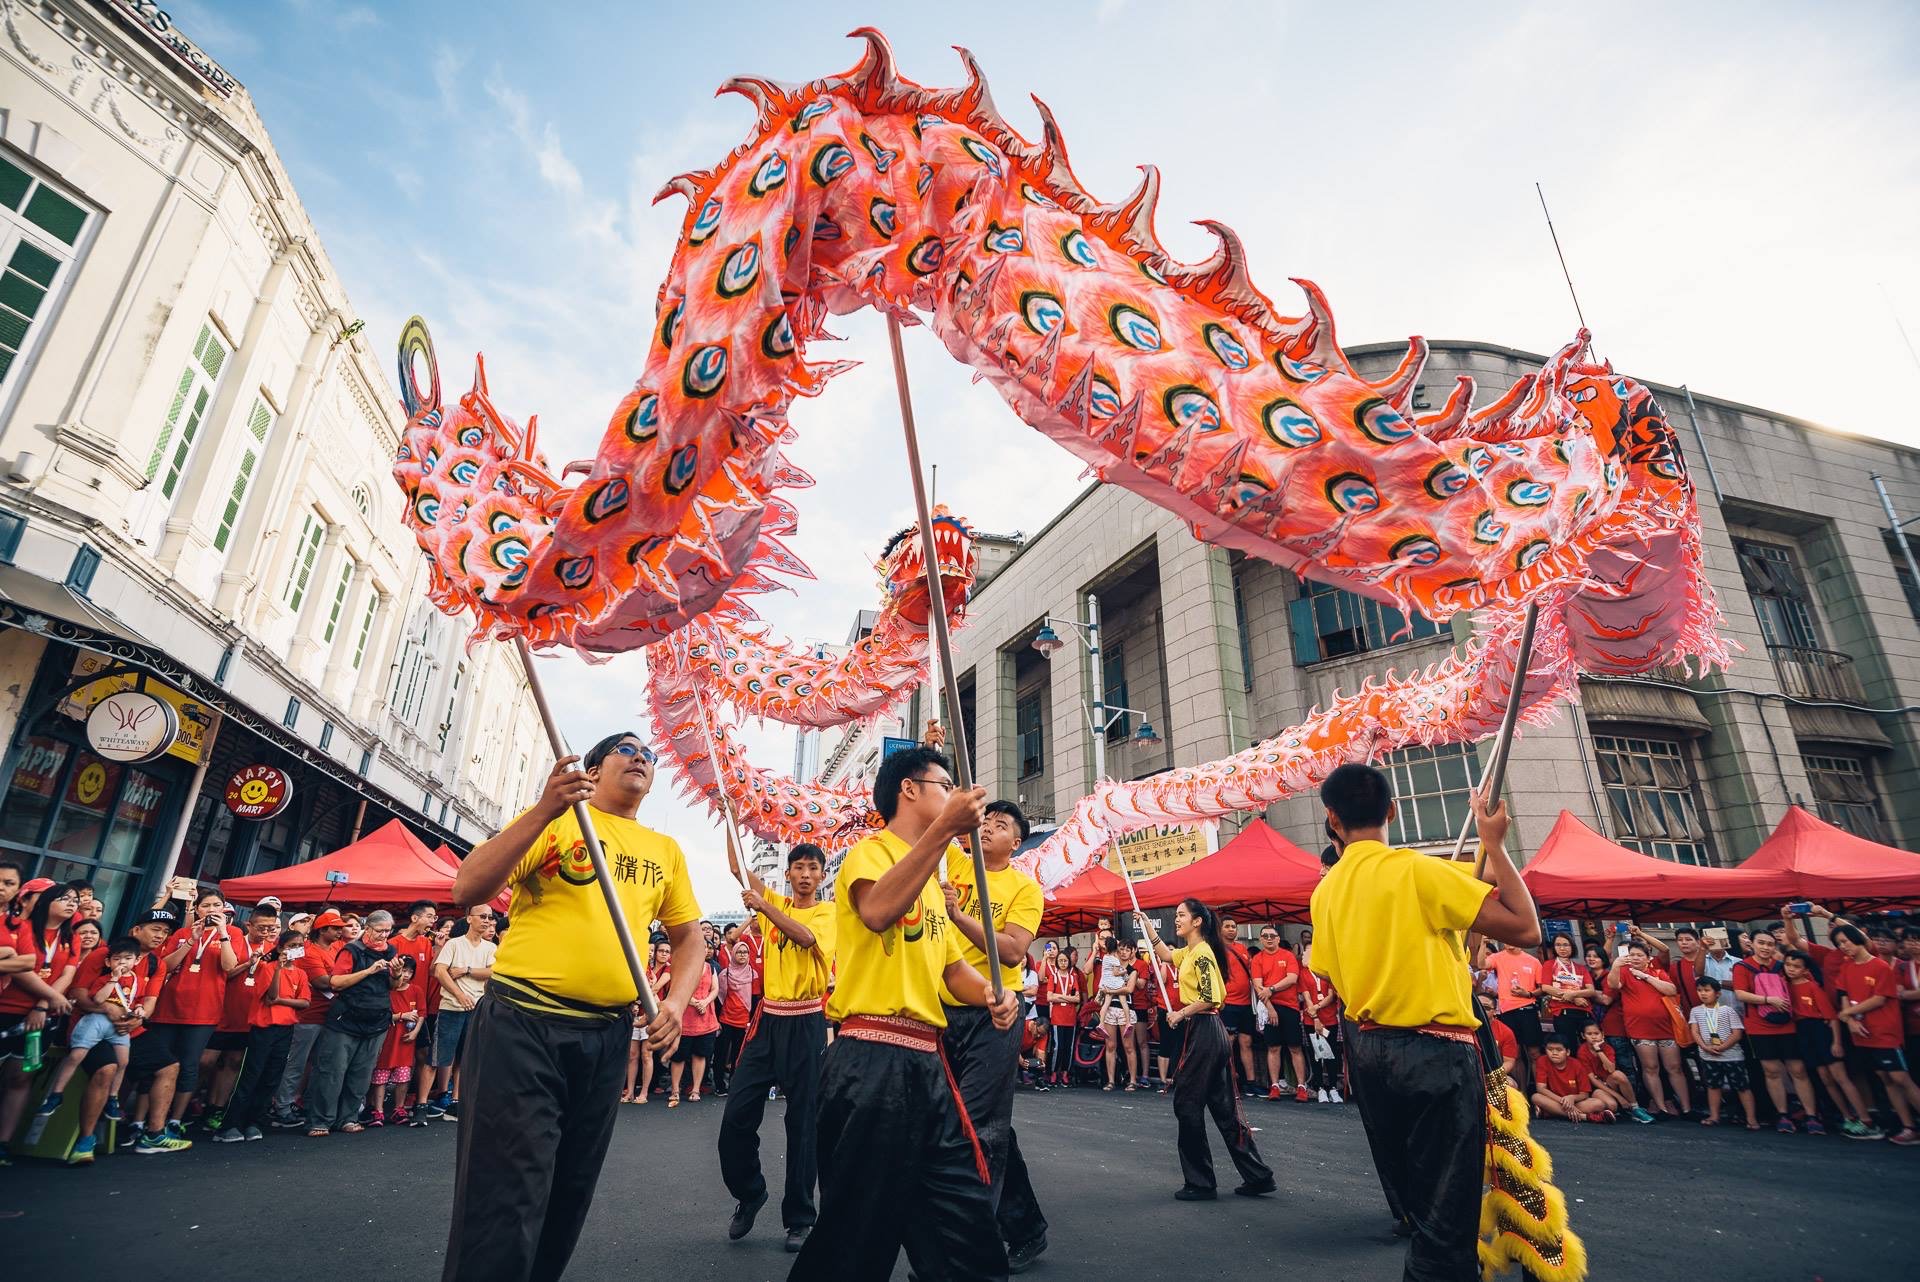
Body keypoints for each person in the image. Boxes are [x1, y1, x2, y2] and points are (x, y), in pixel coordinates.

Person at [443, 733, 705, 1282]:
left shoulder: (665, 851)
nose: (640, 758)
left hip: (606, 1036)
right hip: (524, 1026)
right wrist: (544, 808)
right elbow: (467, 886)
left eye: (648, 755)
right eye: (626, 749)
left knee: (570, 1190)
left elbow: (688, 938)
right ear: (591, 767)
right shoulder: (556, 822)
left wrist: (675, 1003)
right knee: (507, 1192)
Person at [788, 745, 1019, 1282]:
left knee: (967, 1230)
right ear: (909, 790)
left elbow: (951, 971)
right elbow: (877, 912)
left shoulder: (935, 883)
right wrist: (944, 833)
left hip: (929, 1069)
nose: (955, 794)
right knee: (855, 1235)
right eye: (945, 783)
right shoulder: (872, 853)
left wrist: (991, 992)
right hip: (869, 1062)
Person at [1310, 766, 1541, 1281]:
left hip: (1370, 1054)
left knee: (1424, 1198)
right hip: (1436, 1054)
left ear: (1331, 818)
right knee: (1446, 1216)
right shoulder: (1416, 870)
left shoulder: (1324, 893)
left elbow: (1332, 974)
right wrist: (1495, 846)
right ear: (1392, 811)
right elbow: (1526, 927)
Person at [930, 798, 1050, 1274]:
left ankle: (970, 1244)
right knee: (972, 1123)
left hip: (997, 1013)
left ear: (1015, 843)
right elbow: (944, 814)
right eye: (985, 824)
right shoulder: (956, 862)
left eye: (999, 826)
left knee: (981, 1125)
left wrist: (960, 917)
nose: (986, 831)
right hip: (944, 1009)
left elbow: (1016, 952)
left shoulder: (1024, 887)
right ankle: (1025, 1228)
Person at [719, 840, 835, 1251]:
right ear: (787, 874)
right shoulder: (771, 900)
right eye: (798, 867)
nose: (805, 874)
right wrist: (728, 812)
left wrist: (765, 908)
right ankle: (750, 1194)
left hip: (806, 1022)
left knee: (802, 1125)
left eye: (812, 868)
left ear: (821, 875)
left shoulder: (828, 912)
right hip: (767, 1022)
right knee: (736, 1116)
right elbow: (737, 867)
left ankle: (800, 1219)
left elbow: (804, 938)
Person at [1139, 898, 1275, 1201]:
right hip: (1207, 1032)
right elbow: (1166, 953)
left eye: (1181, 915)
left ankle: (1200, 1182)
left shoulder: (1202, 954)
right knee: (1224, 1109)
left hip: (1202, 1029)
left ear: (1197, 921)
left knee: (1187, 1105)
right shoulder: (1191, 951)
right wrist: (1149, 928)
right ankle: (1258, 1175)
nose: (1177, 920)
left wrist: (1179, 1013)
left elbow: (1211, 996)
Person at [144, 888, 241, 1141]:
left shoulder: (233, 933)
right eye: (206, 905)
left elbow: (230, 967)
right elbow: (166, 966)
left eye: (216, 905)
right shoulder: (182, 933)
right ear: (196, 909)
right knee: (158, 1063)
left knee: (189, 1065)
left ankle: (175, 1118)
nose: (211, 910)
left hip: (203, 1011)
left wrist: (222, 934)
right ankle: (146, 1119)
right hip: (168, 1008)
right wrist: (190, 941)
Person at [32, 936, 144, 1139]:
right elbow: (98, 999)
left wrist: (139, 1010)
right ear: (109, 962)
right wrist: (113, 979)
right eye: (117, 959)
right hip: (95, 1021)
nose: (123, 963)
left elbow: (135, 1001)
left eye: (128, 959)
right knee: (76, 1055)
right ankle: (56, 1094)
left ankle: (113, 1098)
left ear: (137, 961)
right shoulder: (105, 978)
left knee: (123, 1061)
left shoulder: (136, 980)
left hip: (118, 1028)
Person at [0, 880, 78, 1157]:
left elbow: (67, 975)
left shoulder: (71, 937)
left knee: (22, 1077)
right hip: (5, 1010)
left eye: (75, 901)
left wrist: (44, 1004)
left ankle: (4, 1143)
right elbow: (20, 969)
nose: (71, 904)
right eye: (64, 898)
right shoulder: (20, 929)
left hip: (41, 1019)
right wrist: (52, 998)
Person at [306, 908, 400, 1136]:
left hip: (376, 1019)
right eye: (379, 930)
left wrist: (396, 974)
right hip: (345, 1018)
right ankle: (321, 1120)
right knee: (332, 1071)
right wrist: (368, 971)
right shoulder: (352, 950)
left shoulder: (391, 950)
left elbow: (393, 987)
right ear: (367, 928)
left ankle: (347, 1118)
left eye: (388, 931)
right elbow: (336, 983)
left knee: (361, 1073)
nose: (384, 936)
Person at [213, 923, 310, 1142]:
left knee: (271, 1077)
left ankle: (254, 1121)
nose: (296, 949)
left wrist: (283, 1001)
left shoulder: (301, 974)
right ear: (280, 948)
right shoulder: (268, 968)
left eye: (299, 945)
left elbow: (304, 1002)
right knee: (251, 1075)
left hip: (285, 1029)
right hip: (263, 1029)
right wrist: (277, 969)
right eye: (291, 945)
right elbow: (270, 997)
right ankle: (231, 1124)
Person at [1830, 923, 1920, 1144]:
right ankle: (1907, 1125)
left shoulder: (1880, 966)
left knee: (1900, 1077)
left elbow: (1879, 998)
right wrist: (1850, 1019)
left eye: (1846, 941)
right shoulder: (1847, 966)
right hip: (1862, 1032)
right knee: (1885, 1078)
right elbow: (1844, 993)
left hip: (1885, 1031)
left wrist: (1847, 1013)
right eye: (1839, 944)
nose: (1844, 947)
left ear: (1857, 939)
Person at [204, 904, 282, 1132]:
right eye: (262, 928)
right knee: (206, 1061)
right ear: (249, 924)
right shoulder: (236, 940)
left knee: (234, 1062)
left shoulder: (274, 949)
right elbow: (226, 972)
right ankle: (192, 1103)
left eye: (271, 928)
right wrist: (249, 963)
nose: (267, 932)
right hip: (222, 1011)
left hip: (249, 1015)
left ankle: (216, 1108)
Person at [270, 908, 347, 1128]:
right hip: (308, 1015)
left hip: (328, 1015)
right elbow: (324, 981)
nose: (339, 931)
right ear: (322, 930)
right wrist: (346, 981)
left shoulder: (336, 949)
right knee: (297, 1063)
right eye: (335, 928)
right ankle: (282, 1106)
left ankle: (299, 1102)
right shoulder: (309, 951)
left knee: (316, 1064)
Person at [1607, 941, 1690, 1117]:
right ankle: (1661, 1107)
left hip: (1665, 1028)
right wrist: (1616, 965)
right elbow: (1613, 985)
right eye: (1632, 955)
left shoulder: (1657, 971)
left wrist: (1646, 976)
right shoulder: (1624, 972)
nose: (1635, 958)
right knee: (1650, 1067)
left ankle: (1686, 1107)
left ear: (1648, 958)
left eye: (1639, 955)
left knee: (1674, 1067)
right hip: (1640, 1029)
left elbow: (1671, 989)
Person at [428, 904, 496, 1118]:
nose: (486, 920)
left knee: (465, 1057)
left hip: (476, 1008)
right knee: (438, 1056)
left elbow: (492, 971)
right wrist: (459, 994)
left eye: (490, 917)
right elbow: (440, 971)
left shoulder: (490, 947)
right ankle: (424, 1102)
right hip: (451, 1007)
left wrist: (466, 970)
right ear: (469, 919)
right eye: (482, 916)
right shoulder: (454, 944)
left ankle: (456, 1098)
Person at [1731, 930, 1804, 1128]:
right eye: (1761, 943)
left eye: (1770, 944)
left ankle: (1811, 1114)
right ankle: (1782, 1114)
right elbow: (1740, 993)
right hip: (1758, 1025)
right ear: (1751, 944)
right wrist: (1767, 1000)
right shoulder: (1742, 966)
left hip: (1786, 1022)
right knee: (1771, 1071)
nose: (1765, 947)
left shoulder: (1782, 966)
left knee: (1797, 1069)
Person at [1687, 977, 1757, 1129]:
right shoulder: (1696, 1011)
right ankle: (1714, 1115)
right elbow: (1695, 1032)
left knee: (1741, 1086)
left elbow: (1737, 1033)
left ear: (1717, 994)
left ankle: (1751, 1118)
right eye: (1699, 991)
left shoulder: (1728, 1010)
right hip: (1708, 1055)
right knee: (1713, 1086)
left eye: (1707, 990)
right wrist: (1704, 1047)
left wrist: (1723, 1046)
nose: (1703, 994)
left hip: (1732, 1055)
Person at [1252, 925, 1308, 1102]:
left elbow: (1292, 978)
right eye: (1265, 936)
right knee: (1273, 1047)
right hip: (1270, 1007)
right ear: (1260, 939)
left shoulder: (1288, 955)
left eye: (1272, 935)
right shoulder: (1258, 959)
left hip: (1290, 1006)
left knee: (1295, 1047)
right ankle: (1275, 1086)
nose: (1269, 938)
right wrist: (1270, 1008)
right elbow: (1257, 985)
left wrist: (1272, 988)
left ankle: (1301, 1086)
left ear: (1278, 938)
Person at [367, 953, 422, 1126]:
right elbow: (382, 1014)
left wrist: (415, 1033)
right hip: (387, 1038)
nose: (406, 975)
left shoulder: (416, 990)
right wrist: (401, 1016)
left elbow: (421, 1013)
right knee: (380, 1074)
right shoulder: (387, 990)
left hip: (405, 1040)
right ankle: (378, 1110)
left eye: (410, 971)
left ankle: (399, 1108)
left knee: (403, 1075)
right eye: (403, 970)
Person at [1489, 938, 1545, 1094]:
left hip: (1528, 1010)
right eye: (1505, 937)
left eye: (1512, 936)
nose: (1509, 940)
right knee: (1516, 1054)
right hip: (1507, 1012)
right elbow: (1481, 964)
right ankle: (1522, 1094)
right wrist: (1482, 940)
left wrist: (1528, 993)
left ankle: (1540, 1093)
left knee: (1534, 1053)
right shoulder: (1498, 957)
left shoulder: (1533, 961)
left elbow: (1543, 988)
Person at [1576, 1022, 1654, 1124]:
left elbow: (1611, 1070)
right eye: (1589, 1034)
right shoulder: (1582, 1051)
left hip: (1610, 1082)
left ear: (1602, 1034)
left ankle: (1635, 1108)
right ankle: (1621, 1109)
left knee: (1618, 1075)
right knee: (1612, 1106)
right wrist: (1619, 1097)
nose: (1593, 1037)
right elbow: (1593, 1080)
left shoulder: (1607, 1048)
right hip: (1597, 1088)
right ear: (1583, 1036)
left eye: (1596, 1033)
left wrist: (1598, 1050)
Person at [1216, 913, 1260, 1093]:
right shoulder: (1216, 950)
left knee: (1246, 1042)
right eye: (1227, 926)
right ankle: (1227, 1081)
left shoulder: (1242, 948)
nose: (1231, 929)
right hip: (1228, 1004)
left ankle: (1250, 1082)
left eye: (1233, 926)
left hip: (1245, 1005)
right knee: (1228, 1043)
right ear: (1220, 929)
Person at [1530, 1035, 1615, 1123]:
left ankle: (1550, 1112)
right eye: (1550, 1049)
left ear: (1567, 1052)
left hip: (1575, 1102)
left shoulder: (1577, 1064)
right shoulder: (1542, 1060)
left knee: (1599, 1104)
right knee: (1536, 1097)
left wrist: (1572, 1098)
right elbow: (1541, 1088)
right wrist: (1564, 1101)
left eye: (1559, 1050)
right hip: (1555, 1099)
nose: (1554, 1053)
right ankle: (1585, 1117)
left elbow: (1584, 1094)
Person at [670, 952, 718, 1105]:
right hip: (684, 1017)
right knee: (678, 1056)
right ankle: (675, 1090)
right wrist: (694, 1002)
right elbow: (676, 988)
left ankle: (696, 1089)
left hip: (705, 1018)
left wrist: (705, 1002)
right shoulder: (683, 967)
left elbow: (715, 989)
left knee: (700, 1054)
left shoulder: (711, 967)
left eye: (705, 948)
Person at [1093, 935, 1138, 1089]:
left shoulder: (1132, 971)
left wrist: (1110, 990)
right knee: (1110, 1045)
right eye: (1122, 949)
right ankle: (1111, 1080)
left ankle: (1133, 1080)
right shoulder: (1110, 963)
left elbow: (1129, 989)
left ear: (1133, 952)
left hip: (1126, 1009)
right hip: (1110, 1008)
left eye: (1127, 950)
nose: (1124, 952)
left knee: (1129, 1046)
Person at [1297, 962, 1342, 1103]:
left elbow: (1330, 995)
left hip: (1329, 1018)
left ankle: (1333, 1087)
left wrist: (1316, 1007)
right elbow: (1306, 995)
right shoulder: (1303, 972)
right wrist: (1313, 1013)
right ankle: (1320, 1087)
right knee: (1315, 1053)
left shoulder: (1327, 970)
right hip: (1310, 1019)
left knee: (1331, 1053)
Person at [1540, 933, 1597, 1043]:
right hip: (1562, 1011)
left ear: (1572, 946)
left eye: (1566, 945)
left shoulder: (1581, 968)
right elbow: (1546, 987)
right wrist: (1574, 998)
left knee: (1590, 1047)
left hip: (1584, 1011)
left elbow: (1591, 991)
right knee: (1569, 1047)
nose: (1562, 948)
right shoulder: (1549, 965)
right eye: (1558, 945)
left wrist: (1573, 995)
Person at [1041, 942, 1082, 1086]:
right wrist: (1067, 998)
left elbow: (1078, 998)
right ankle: (1053, 1073)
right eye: (1060, 961)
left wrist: (1060, 997)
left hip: (1070, 1017)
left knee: (1069, 1047)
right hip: (1057, 1017)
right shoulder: (1054, 977)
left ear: (1069, 962)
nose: (1063, 963)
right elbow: (1049, 997)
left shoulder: (1073, 977)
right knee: (1058, 1046)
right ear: (1057, 962)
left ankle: (1065, 1073)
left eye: (1065, 960)